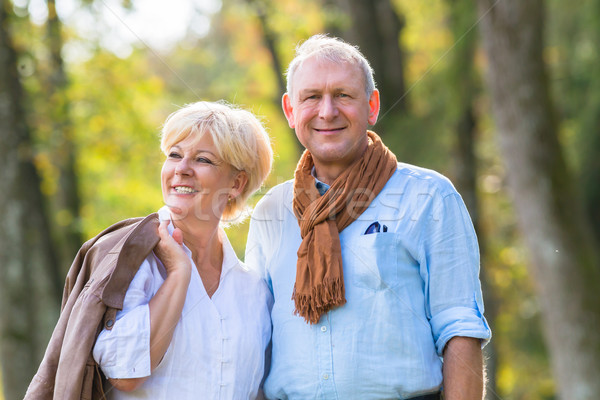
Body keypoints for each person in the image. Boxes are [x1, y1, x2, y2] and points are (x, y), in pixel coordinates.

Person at [245, 34, 491, 400]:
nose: (327, 111)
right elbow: (256, 342)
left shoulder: (429, 197)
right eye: (311, 97)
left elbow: (460, 328)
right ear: (291, 111)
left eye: (343, 95)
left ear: (372, 105)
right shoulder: (269, 213)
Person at [25, 101, 274, 400]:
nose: (181, 169)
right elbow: (125, 373)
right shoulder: (130, 261)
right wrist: (179, 274)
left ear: (237, 182)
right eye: (174, 155)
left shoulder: (254, 290)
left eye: (202, 160)